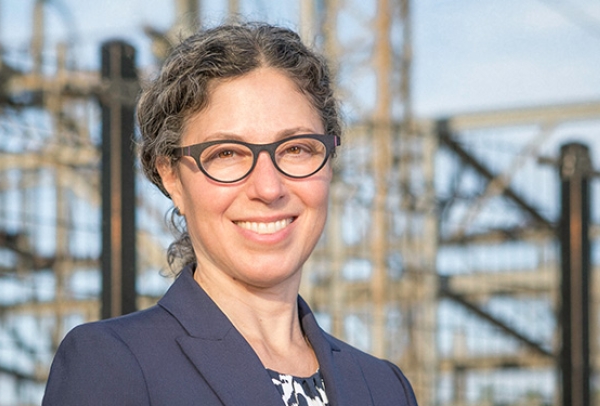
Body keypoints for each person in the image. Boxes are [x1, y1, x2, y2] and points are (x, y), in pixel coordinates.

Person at [43, 22, 418, 406]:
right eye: (226, 154)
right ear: (171, 177)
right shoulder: (113, 366)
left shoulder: (385, 387)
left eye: (296, 149)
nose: (269, 188)